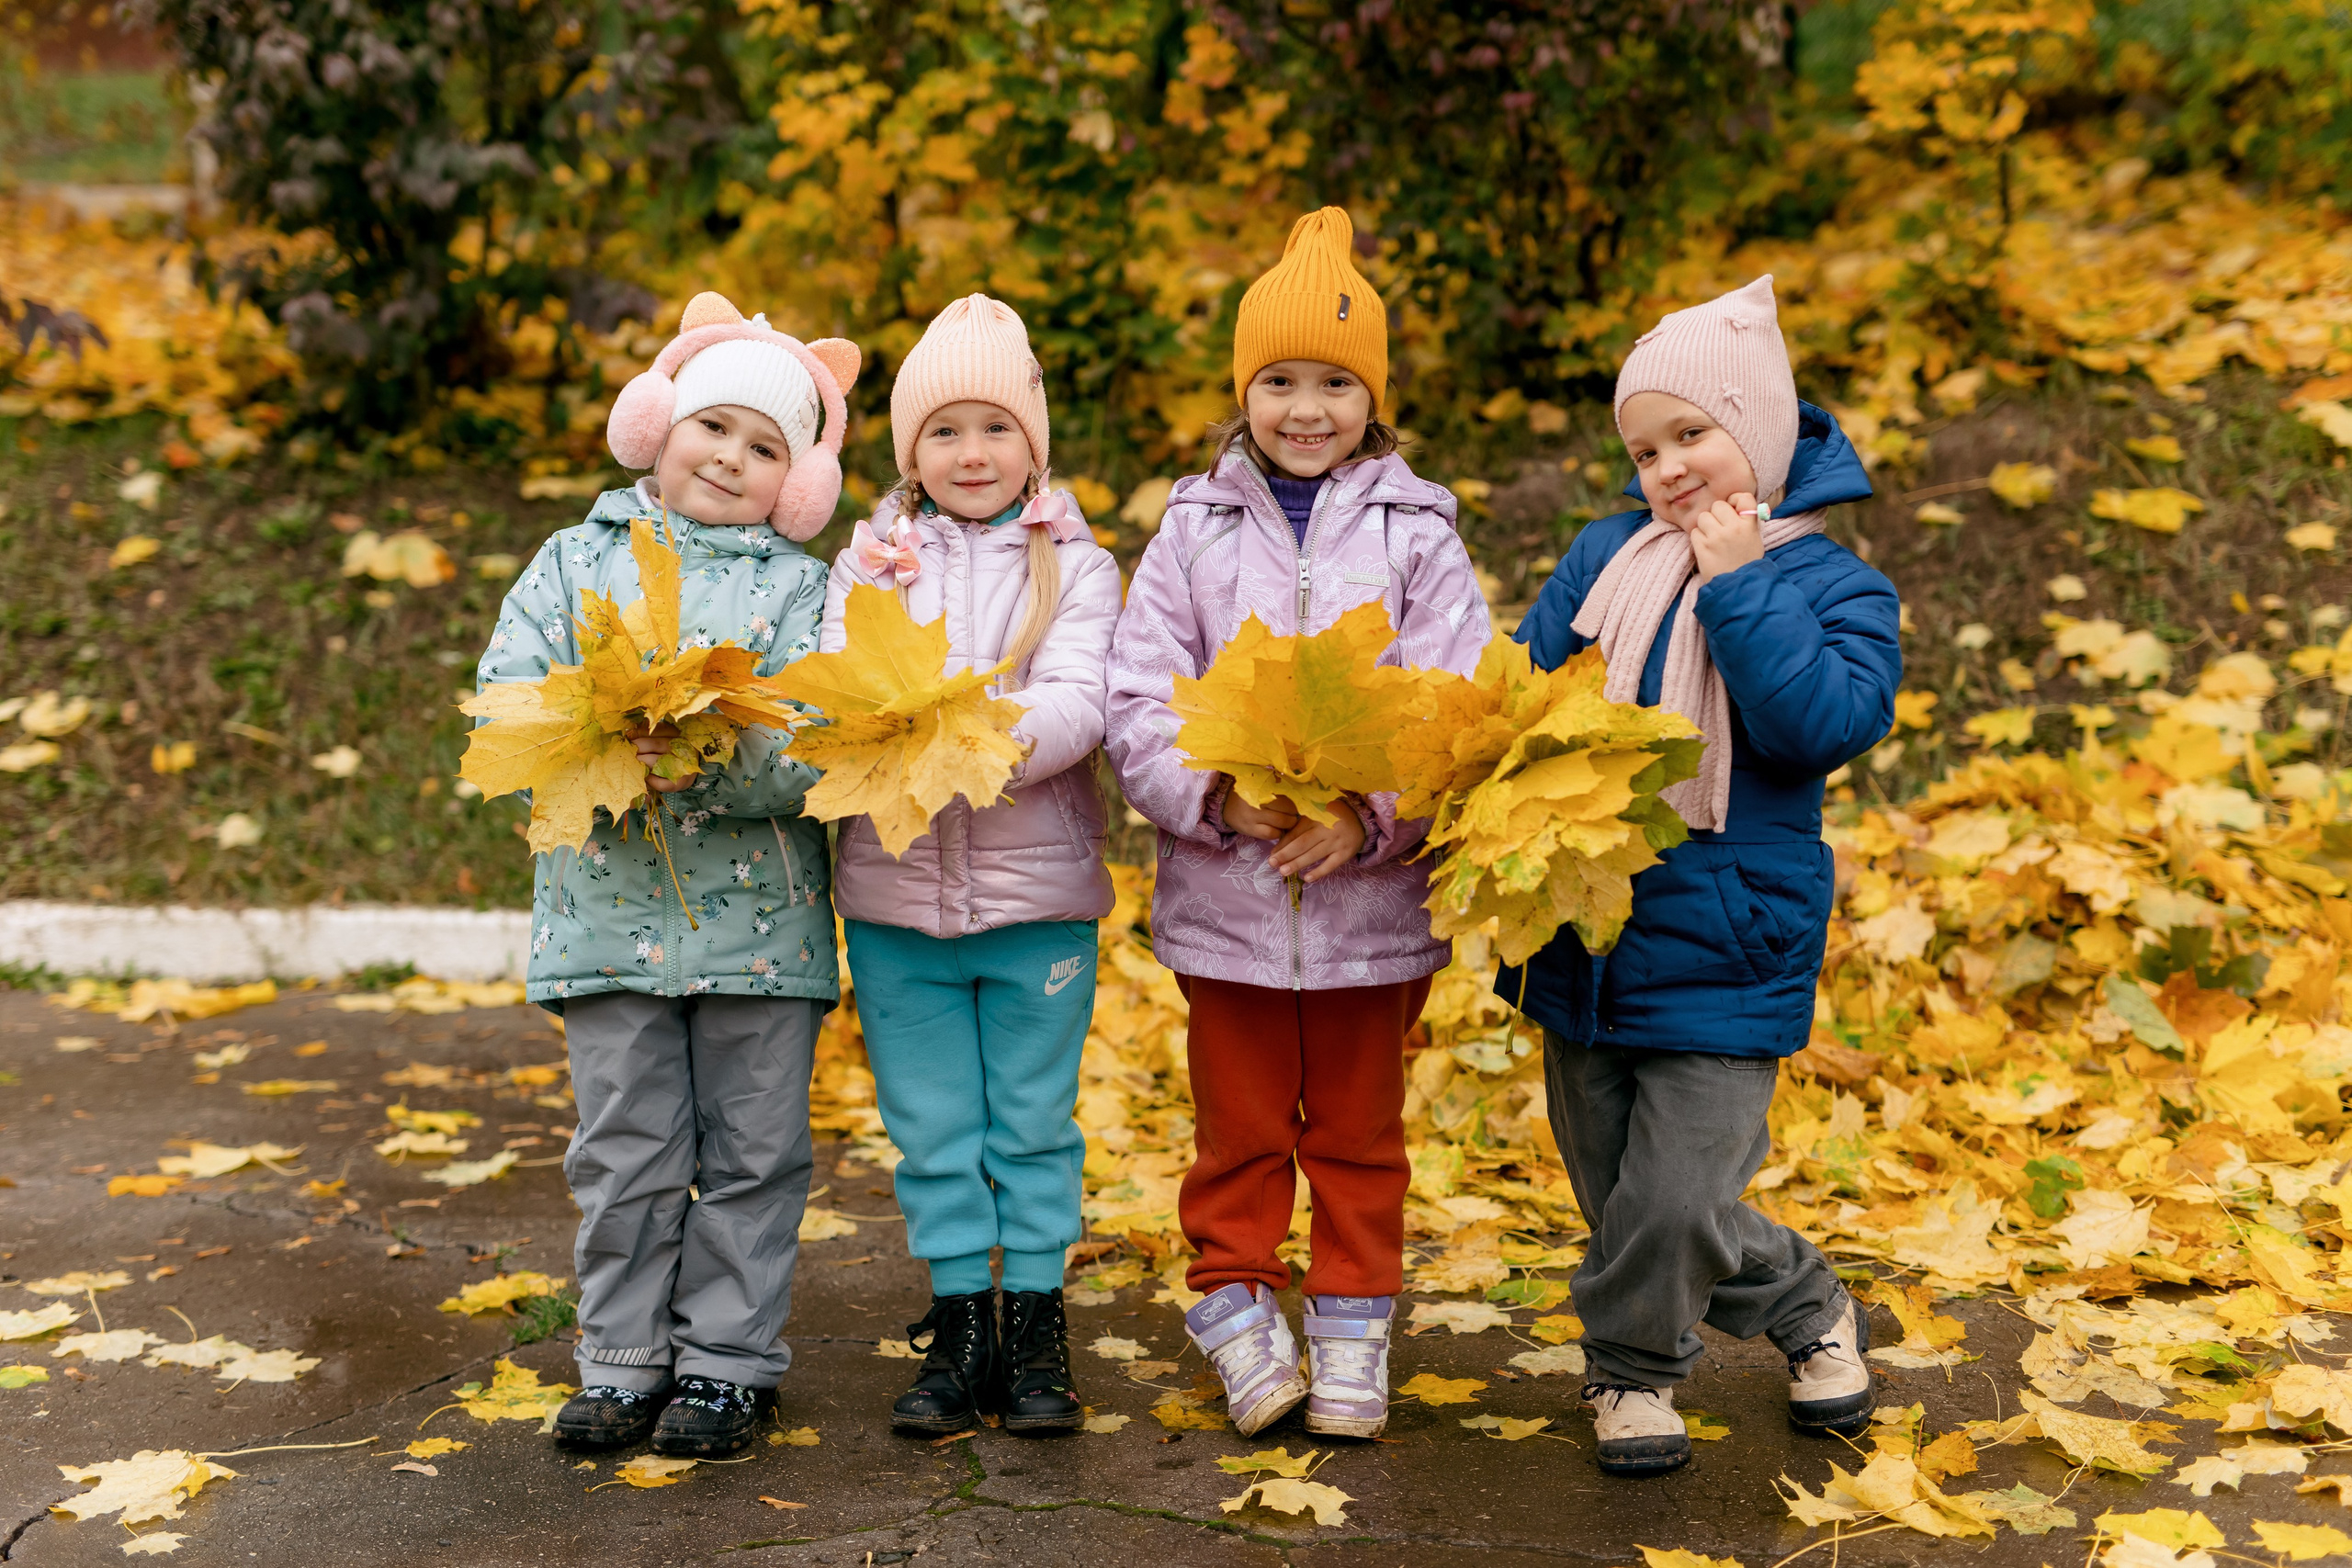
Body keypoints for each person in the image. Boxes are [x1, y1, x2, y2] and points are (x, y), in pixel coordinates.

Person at [1502, 275, 1902, 1475]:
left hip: (1731, 937)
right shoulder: (1603, 556)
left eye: (1693, 434)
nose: (1668, 467)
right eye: (1645, 446)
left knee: (1673, 1199)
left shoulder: (1832, 584)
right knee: (1631, 1196)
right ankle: (1804, 1303)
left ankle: (1632, 1372)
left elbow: (1815, 723)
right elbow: (1528, 701)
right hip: (1586, 930)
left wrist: (1738, 585)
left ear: (1762, 438)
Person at [1105, 208, 1490, 1439]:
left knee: (1363, 1132)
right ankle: (1232, 1303)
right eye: (1279, 381)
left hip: (1371, 908)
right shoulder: (1191, 532)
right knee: (1240, 1128)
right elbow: (1139, 690)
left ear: (1372, 401)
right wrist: (1212, 793)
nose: (1305, 407)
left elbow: (1455, 700)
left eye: (1334, 382)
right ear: (1245, 393)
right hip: (1232, 901)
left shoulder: (1420, 536)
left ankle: (1355, 1318)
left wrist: (1375, 820)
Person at [475, 289, 858, 1457]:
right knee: (627, 1146)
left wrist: (714, 759)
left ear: (796, 479)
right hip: (604, 917)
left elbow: (819, 744)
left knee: (754, 1151)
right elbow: (511, 694)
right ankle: (623, 1357)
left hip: (765, 932)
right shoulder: (571, 558)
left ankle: (729, 1364)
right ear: (658, 425)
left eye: (766, 448)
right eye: (715, 429)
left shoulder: (803, 587)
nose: (732, 460)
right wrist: (601, 734)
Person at [823, 294, 1121, 1435]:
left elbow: (1083, 698)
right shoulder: (868, 569)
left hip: (1035, 901)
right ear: (909, 451)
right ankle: (958, 1321)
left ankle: (1036, 1319)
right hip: (895, 903)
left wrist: (972, 748)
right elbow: (831, 694)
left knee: (1033, 1121)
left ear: (1032, 441)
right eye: (942, 431)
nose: (971, 453)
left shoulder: (1077, 568)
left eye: (995, 426)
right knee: (934, 1123)